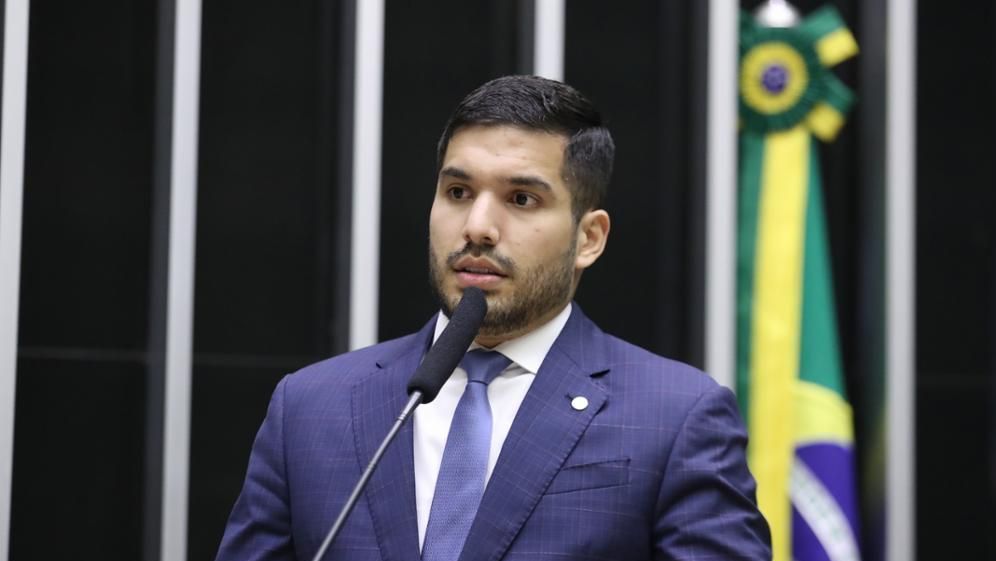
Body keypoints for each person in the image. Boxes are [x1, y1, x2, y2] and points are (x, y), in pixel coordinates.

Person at [216, 75, 771, 561]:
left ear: (589, 238)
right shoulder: (311, 409)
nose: (478, 226)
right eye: (458, 191)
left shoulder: (676, 416)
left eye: (522, 199)